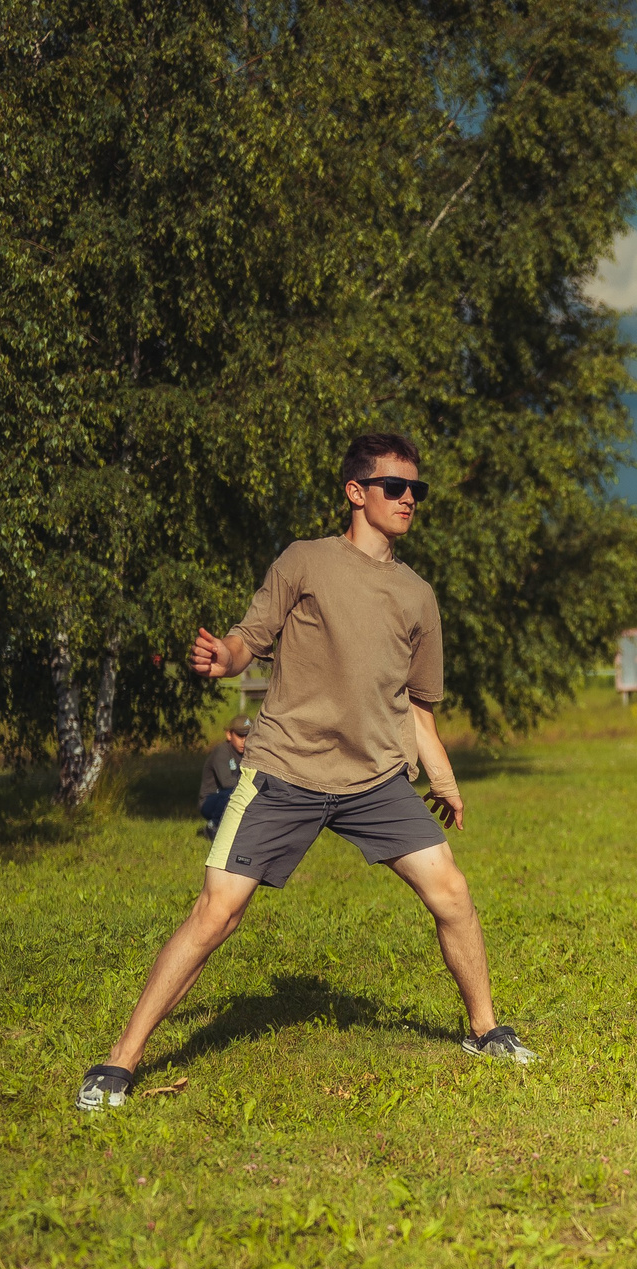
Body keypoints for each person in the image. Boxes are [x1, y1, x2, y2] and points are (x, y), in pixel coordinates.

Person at [77, 433, 534, 1112]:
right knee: (217, 913)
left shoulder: (417, 596)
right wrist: (223, 659)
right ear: (356, 492)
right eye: (394, 487)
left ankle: (486, 1030)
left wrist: (443, 780)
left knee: (453, 893)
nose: (409, 499)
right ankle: (119, 1061)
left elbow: (417, 708)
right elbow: (248, 639)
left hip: (375, 780)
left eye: (416, 490)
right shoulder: (305, 561)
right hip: (285, 769)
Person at [197, 716, 250, 837]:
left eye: (248, 736)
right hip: (211, 801)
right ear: (229, 735)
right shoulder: (222, 751)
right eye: (240, 736)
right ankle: (213, 825)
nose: (244, 740)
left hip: (235, 797)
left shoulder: (250, 754)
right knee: (232, 793)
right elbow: (226, 782)